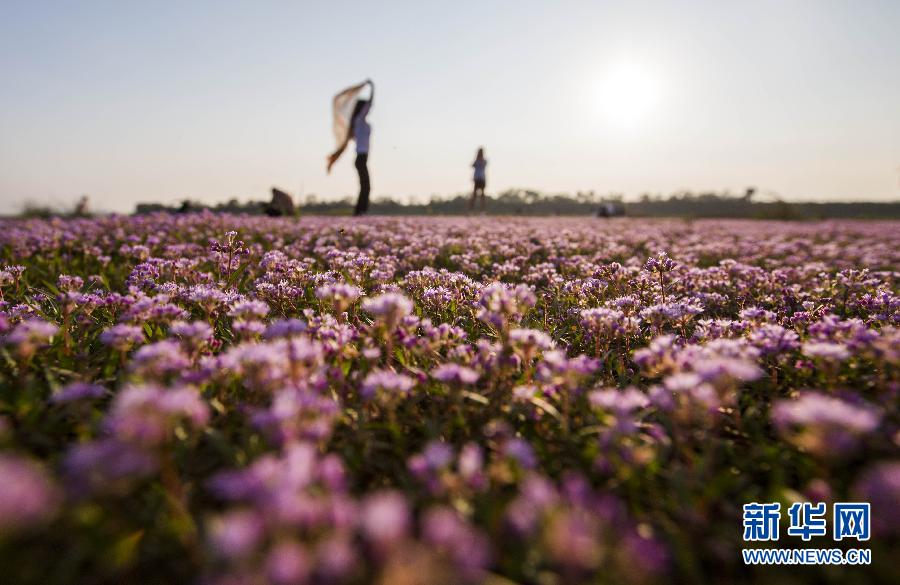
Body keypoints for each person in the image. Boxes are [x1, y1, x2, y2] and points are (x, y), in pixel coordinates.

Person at [327, 79, 374, 216]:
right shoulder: (359, 122)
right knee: (366, 186)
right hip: (361, 157)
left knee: (365, 186)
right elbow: (370, 103)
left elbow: (368, 106)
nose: (369, 109)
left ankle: (360, 211)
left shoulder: (359, 124)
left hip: (362, 158)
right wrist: (372, 87)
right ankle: (360, 212)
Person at [470, 147, 487, 211]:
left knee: (482, 196)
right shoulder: (476, 160)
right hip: (477, 179)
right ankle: (470, 210)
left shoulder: (484, 160)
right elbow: (472, 165)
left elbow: (484, 164)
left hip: (482, 179)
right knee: (474, 195)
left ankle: (483, 211)